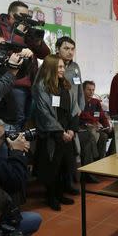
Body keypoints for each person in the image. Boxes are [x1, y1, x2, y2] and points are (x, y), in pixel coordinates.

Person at [0, 115, 42, 235]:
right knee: (34, 219)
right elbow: (15, 181)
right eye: (2, 137)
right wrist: (17, 152)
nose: (5, 140)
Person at [33, 54, 79, 211]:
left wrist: (72, 129)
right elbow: (45, 114)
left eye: (63, 66)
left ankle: (60, 193)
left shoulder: (65, 84)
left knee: (64, 165)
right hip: (52, 134)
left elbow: (74, 109)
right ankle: (51, 196)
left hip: (67, 132)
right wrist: (60, 132)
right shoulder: (41, 87)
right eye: (59, 67)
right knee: (52, 167)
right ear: (51, 68)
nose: (63, 69)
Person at [0, 0, 51, 131]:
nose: (24, 20)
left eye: (27, 17)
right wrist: (19, 34)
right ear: (11, 16)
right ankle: (13, 148)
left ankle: (19, 146)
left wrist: (37, 42)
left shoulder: (26, 29)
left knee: (25, 120)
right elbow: (8, 47)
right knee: (16, 120)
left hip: (30, 83)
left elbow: (45, 54)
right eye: (21, 16)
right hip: (14, 83)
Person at [55, 36, 82, 194]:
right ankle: (59, 186)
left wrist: (80, 107)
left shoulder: (75, 67)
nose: (70, 52)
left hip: (73, 112)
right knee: (60, 151)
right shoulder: (52, 64)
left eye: (72, 49)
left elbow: (78, 89)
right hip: (59, 112)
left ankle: (69, 182)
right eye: (66, 48)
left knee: (72, 150)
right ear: (58, 48)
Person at [78, 80, 110, 183]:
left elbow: (101, 116)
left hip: (95, 128)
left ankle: (98, 166)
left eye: (93, 90)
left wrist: (107, 126)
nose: (91, 92)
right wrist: (93, 121)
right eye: (88, 90)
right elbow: (81, 115)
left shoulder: (95, 102)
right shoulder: (79, 101)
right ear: (83, 90)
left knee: (104, 136)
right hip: (82, 128)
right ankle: (91, 169)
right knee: (91, 136)